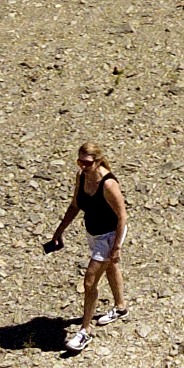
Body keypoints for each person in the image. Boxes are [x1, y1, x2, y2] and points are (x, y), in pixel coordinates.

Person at [42, 143, 127, 353]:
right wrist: (58, 232)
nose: (83, 166)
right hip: (93, 233)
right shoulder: (82, 177)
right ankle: (121, 307)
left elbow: (122, 217)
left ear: (98, 160)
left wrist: (116, 247)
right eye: (80, 161)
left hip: (108, 236)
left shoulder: (108, 184)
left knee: (89, 282)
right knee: (108, 268)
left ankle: (85, 331)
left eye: (87, 162)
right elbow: (75, 205)